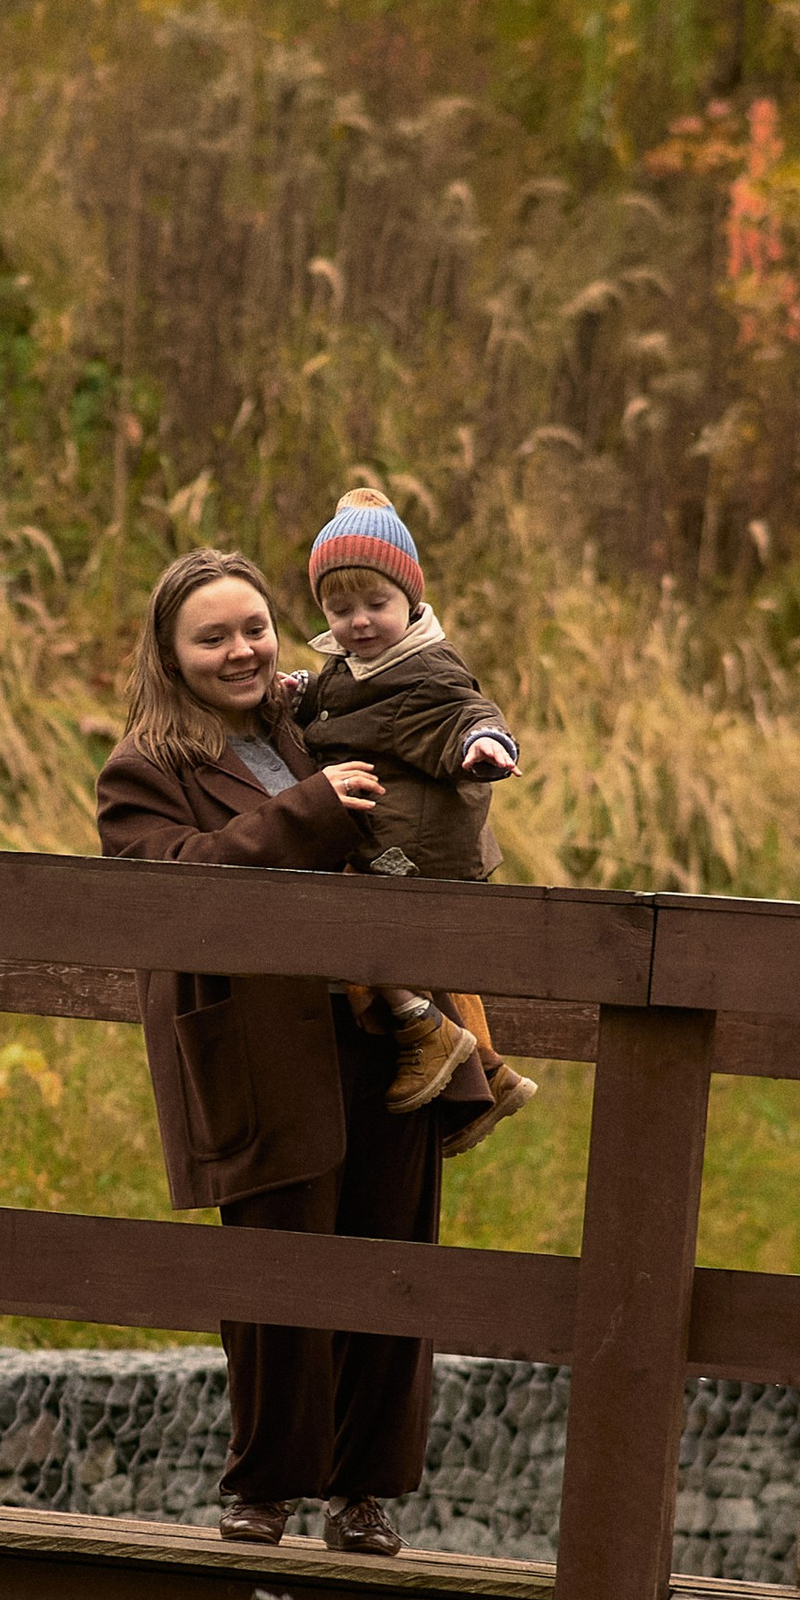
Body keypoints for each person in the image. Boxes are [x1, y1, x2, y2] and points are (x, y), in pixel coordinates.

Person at [95, 543, 492, 1556]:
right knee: (277, 1276)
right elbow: (171, 883)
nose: (240, 649)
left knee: (389, 1261)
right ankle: (262, 1488)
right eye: (212, 635)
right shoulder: (147, 767)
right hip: (261, 1045)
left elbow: (438, 751)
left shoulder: (321, 711)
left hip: (389, 1033)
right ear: (170, 652)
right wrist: (307, 810)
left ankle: (365, 1493)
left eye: (254, 627)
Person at [290, 495, 540, 1156]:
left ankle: (421, 1032)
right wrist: (297, 695)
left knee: (346, 911)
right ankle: (489, 1068)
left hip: (414, 845)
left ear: (410, 597)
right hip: (425, 842)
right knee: (440, 962)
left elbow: (464, 709)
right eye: (339, 610)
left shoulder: (425, 666)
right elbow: (332, 704)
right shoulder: (355, 664)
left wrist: (484, 745)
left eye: (374, 603)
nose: (358, 621)